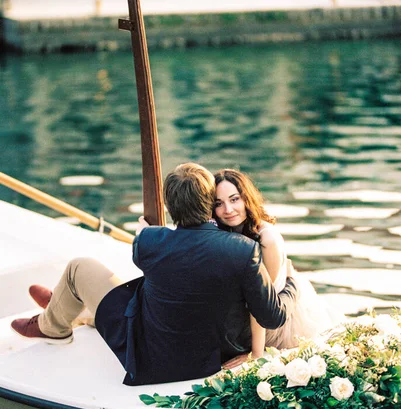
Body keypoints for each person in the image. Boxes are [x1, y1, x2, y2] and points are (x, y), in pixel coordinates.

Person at [11, 163, 298, 386]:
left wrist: (147, 233)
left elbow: (161, 250)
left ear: (170, 208)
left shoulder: (149, 241)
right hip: (212, 356)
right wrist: (290, 286)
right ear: (210, 203)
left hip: (151, 356)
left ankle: (53, 325)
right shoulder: (245, 250)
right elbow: (272, 315)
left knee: (79, 269)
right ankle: (69, 310)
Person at [213, 168, 334, 365]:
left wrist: (256, 354)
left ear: (246, 199)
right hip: (247, 312)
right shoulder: (221, 232)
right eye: (219, 203)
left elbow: (261, 303)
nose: (228, 209)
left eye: (234, 199)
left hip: (273, 319)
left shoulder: (266, 239)